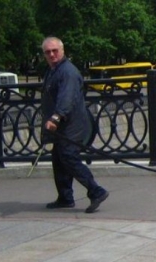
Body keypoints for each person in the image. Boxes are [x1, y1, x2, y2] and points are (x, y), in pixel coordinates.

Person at [40, 36, 109, 213]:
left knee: (69, 157)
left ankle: (96, 191)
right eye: (48, 52)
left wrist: (56, 117)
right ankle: (65, 197)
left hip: (72, 124)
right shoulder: (53, 70)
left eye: (55, 50)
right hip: (64, 124)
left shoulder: (67, 72)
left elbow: (67, 98)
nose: (52, 54)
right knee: (59, 159)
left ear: (62, 51)